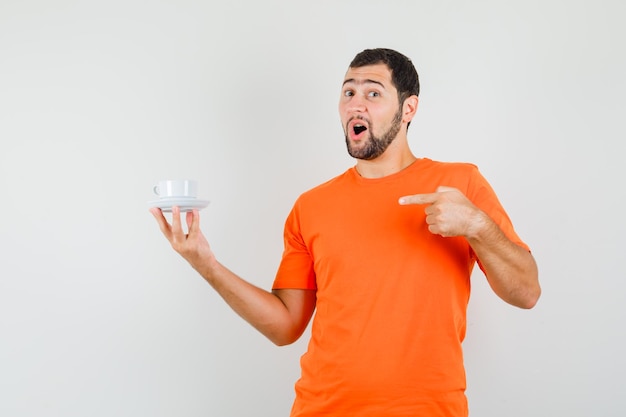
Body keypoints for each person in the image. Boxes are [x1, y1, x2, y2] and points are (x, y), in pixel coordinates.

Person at [149, 48, 540, 417]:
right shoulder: (312, 206)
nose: (356, 103)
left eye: (373, 93)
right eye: (348, 92)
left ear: (408, 109)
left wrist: (476, 226)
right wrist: (206, 264)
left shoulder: (460, 185)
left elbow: (526, 293)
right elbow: (286, 326)